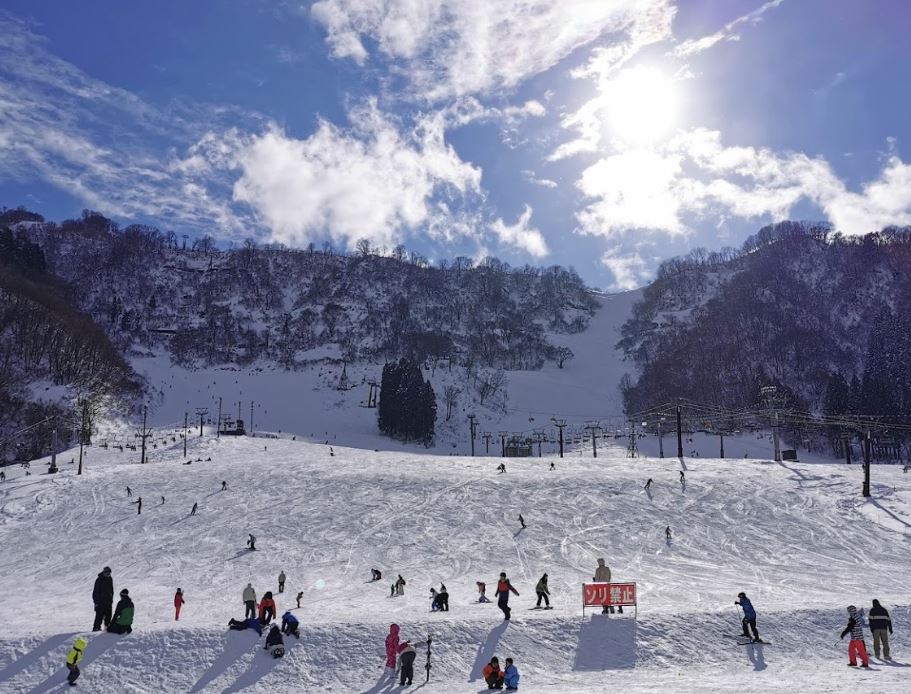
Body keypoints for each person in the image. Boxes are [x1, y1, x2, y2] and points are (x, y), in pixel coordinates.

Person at [92, 566, 114, 631]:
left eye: (109, 573)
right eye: (107, 573)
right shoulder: (99, 580)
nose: (108, 574)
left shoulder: (110, 579)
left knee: (108, 616)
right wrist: (96, 602)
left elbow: (111, 590)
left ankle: (107, 628)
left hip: (108, 602)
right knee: (99, 616)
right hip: (100, 602)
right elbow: (95, 592)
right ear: (104, 572)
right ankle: (96, 628)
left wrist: (111, 599)